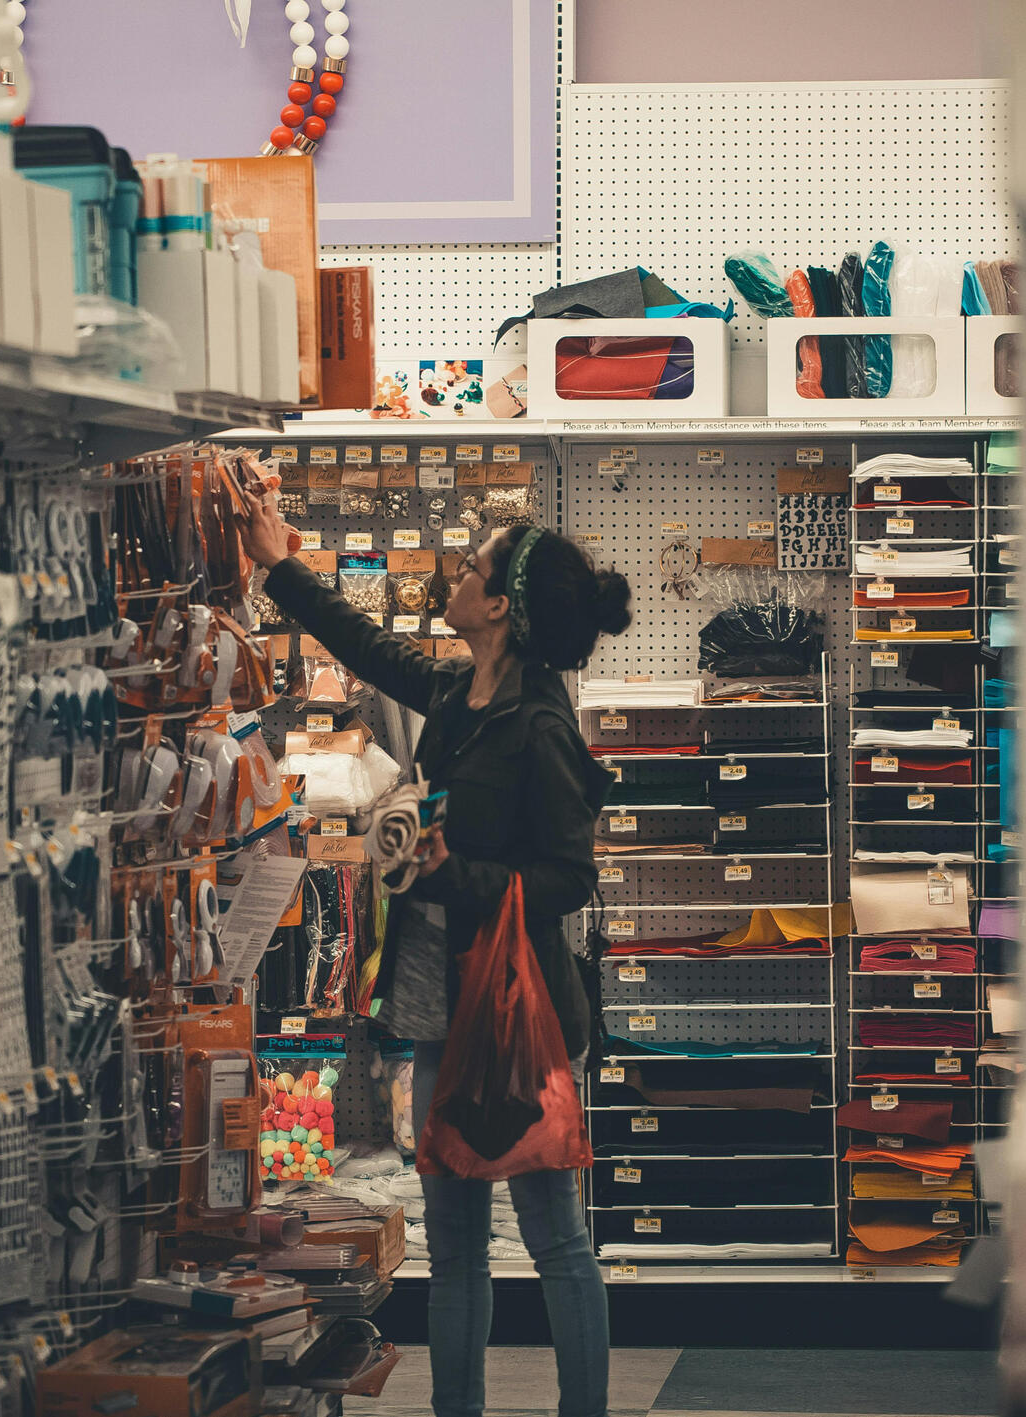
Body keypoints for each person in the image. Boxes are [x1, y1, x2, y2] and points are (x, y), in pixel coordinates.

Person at [238, 490, 630, 1417]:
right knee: (450, 1244)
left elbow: (568, 877)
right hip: (434, 1006)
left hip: (518, 1013)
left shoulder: (538, 726)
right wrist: (277, 562)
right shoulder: (461, 692)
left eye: (473, 568)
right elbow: (371, 648)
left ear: (499, 608)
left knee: (553, 1238)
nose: (455, 575)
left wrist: (457, 872)